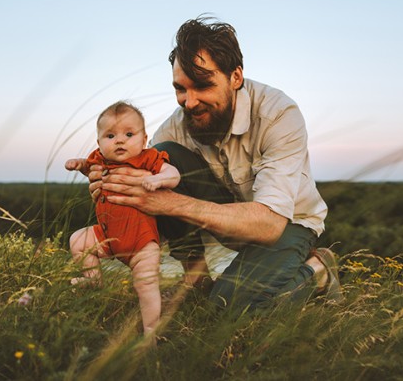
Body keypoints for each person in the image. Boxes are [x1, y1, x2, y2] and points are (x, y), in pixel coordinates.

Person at [87, 16, 343, 314]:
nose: (189, 101)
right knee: (162, 154)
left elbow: (270, 224)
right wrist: (110, 182)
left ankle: (317, 270)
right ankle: (195, 280)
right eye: (180, 89)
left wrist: (169, 203)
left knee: (228, 307)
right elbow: (140, 186)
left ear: (235, 77)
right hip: (227, 218)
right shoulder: (177, 126)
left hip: (286, 223)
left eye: (202, 85)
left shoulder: (278, 114)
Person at [65, 101, 180, 335]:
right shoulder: (99, 158)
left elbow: (173, 174)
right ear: (99, 143)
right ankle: (93, 280)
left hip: (142, 243)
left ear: (144, 137)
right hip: (107, 237)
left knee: (146, 285)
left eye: (129, 134)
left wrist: (158, 180)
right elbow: (90, 167)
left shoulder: (148, 158)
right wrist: (81, 165)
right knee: (78, 240)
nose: (119, 140)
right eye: (110, 135)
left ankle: (151, 333)